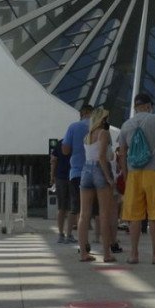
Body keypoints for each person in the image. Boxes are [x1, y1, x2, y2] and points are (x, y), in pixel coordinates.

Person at [117, 93, 155, 265]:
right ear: (149, 106)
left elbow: (122, 153)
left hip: (134, 174)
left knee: (134, 217)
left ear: (135, 108)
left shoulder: (126, 125)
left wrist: (126, 175)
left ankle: (134, 254)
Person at [76, 108, 117, 263]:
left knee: (84, 214)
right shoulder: (103, 134)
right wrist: (108, 177)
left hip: (86, 170)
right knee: (104, 214)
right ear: (102, 119)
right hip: (100, 169)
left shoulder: (87, 136)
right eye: (106, 118)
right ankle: (107, 254)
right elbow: (101, 156)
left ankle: (83, 253)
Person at [62, 103, 92, 247]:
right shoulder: (99, 127)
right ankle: (101, 237)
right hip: (95, 171)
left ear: (81, 114)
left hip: (77, 172)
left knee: (76, 207)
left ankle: (70, 235)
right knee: (97, 210)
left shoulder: (73, 127)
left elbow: (65, 150)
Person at [50, 139, 75, 243]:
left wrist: (52, 176)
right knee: (71, 207)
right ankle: (69, 234)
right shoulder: (76, 142)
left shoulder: (60, 143)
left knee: (61, 207)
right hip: (73, 176)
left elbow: (54, 161)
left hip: (60, 177)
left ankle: (61, 234)